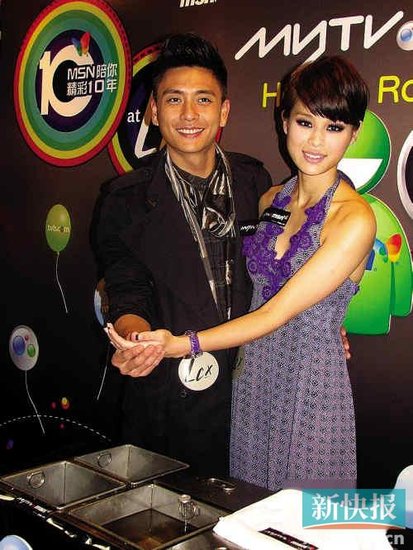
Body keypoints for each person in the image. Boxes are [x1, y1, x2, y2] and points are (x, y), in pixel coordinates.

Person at [107, 55, 376, 490]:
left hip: (308, 390)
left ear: (354, 133)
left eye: (334, 127)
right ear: (284, 121)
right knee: (247, 510)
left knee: (299, 515)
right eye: (305, 122)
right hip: (250, 385)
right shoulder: (268, 196)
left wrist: (181, 344)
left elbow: (277, 312)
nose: (316, 141)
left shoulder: (354, 218)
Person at [92, 32, 273, 476]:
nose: (189, 114)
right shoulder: (125, 200)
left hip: (255, 393)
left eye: (203, 100)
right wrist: (137, 341)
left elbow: (279, 270)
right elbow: (128, 289)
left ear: (223, 110)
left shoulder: (254, 181)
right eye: (174, 100)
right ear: (154, 111)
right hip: (172, 401)